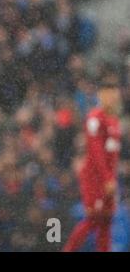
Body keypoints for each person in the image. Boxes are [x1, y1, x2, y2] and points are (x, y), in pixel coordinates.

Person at [63, 70, 122, 252]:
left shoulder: (114, 122)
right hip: (95, 178)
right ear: (101, 95)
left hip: (109, 179)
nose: (112, 98)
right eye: (108, 93)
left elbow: (112, 156)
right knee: (94, 219)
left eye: (114, 94)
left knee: (106, 221)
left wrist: (112, 178)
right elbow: (96, 153)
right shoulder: (94, 119)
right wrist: (106, 179)